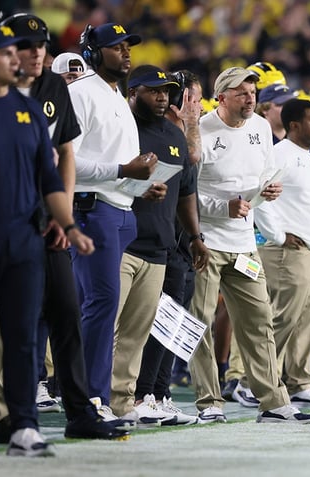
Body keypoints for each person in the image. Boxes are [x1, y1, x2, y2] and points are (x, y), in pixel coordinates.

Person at [0, 12, 133, 446]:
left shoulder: (44, 96)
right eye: (22, 47)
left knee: (58, 315)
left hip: (37, 227)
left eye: (41, 46)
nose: (36, 54)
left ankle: (65, 412)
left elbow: (60, 160)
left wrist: (64, 220)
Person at [191, 66, 310, 424]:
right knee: (201, 322)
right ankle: (209, 402)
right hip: (207, 243)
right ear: (222, 98)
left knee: (260, 322)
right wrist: (222, 207)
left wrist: (268, 190)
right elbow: (186, 195)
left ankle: (273, 401)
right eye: (242, 93)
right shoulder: (200, 130)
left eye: (252, 92)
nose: (250, 98)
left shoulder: (262, 129)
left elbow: (260, 178)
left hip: (245, 243)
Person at [69, 22, 164, 422]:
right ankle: (90, 398)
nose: (126, 53)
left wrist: (140, 185)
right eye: (115, 46)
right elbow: (65, 160)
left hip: (122, 210)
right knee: (101, 304)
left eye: (128, 47)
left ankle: (95, 395)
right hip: (94, 209)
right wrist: (123, 168)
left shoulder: (113, 97)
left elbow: (114, 164)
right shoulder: (79, 93)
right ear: (93, 51)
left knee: (107, 308)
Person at [108, 65, 209, 426]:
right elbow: (104, 174)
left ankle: (126, 402)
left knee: (138, 333)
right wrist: (137, 188)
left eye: (166, 90)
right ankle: (92, 399)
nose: (163, 96)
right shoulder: (122, 126)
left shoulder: (174, 133)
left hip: (160, 246)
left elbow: (185, 192)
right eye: (153, 91)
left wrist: (195, 238)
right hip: (121, 240)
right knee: (108, 328)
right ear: (131, 93)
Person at [254, 98, 310, 405]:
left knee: (307, 322)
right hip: (290, 251)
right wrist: (277, 235)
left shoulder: (307, 157)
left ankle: (299, 381)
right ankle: (258, 383)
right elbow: (260, 194)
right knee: (281, 320)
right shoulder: (279, 154)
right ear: (295, 126)